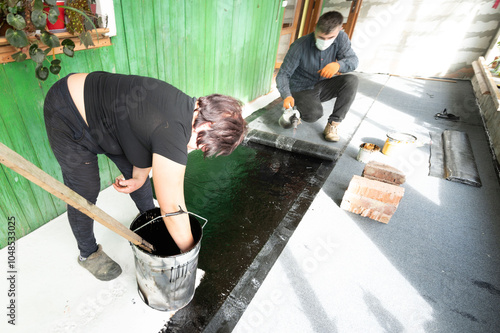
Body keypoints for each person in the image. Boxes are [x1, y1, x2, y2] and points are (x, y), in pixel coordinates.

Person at [44, 72, 247, 281]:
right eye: (202, 146)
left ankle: (153, 223)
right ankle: (88, 253)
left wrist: (140, 177)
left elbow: (144, 141)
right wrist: (188, 257)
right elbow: (173, 208)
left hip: (108, 123)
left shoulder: (186, 110)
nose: (196, 149)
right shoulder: (172, 132)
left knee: (138, 181)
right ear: (205, 126)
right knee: (84, 191)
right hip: (68, 113)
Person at [276, 10, 359, 142]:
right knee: (314, 114)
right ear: (315, 28)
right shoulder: (300, 46)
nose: (324, 42)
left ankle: (333, 125)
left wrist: (339, 65)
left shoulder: (341, 38)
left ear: (339, 30)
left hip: (324, 84)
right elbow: (283, 75)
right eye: (320, 37)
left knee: (351, 80)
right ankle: (298, 109)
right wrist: (286, 95)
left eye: (330, 38)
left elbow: (353, 60)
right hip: (301, 87)